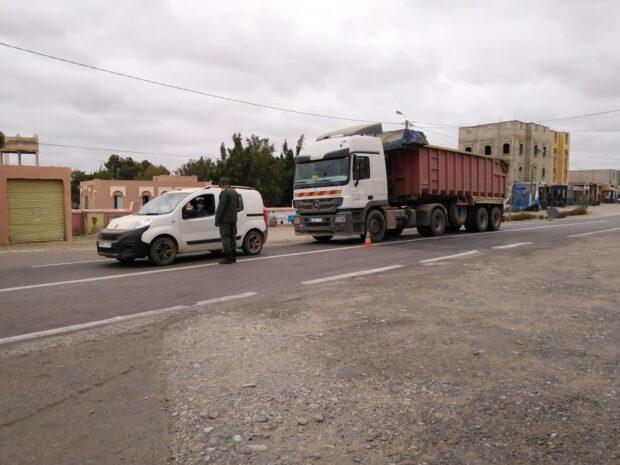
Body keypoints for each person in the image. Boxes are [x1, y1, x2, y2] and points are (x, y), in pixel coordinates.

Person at [214, 178, 239, 264]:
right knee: (232, 237)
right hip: (233, 219)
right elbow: (238, 206)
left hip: (225, 220)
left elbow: (221, 208)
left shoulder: (225, 193)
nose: (221, 188)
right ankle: (233, 256)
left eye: (220, 186)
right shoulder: (235, 192)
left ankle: (228, 257)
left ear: (223, 184)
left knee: (225, 237)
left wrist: (217, 220)